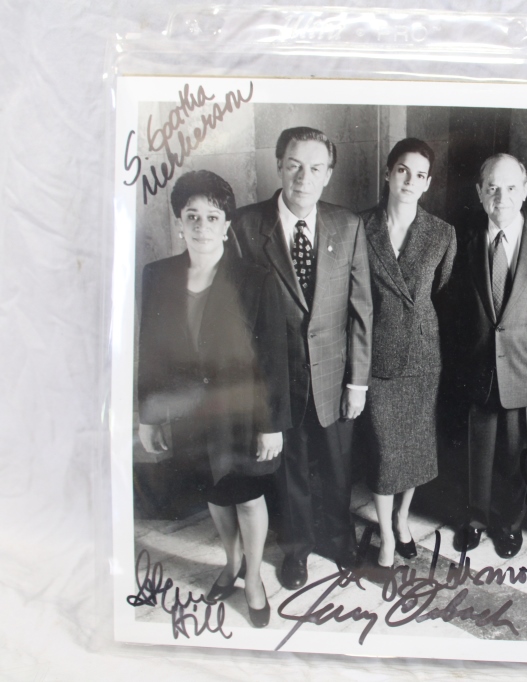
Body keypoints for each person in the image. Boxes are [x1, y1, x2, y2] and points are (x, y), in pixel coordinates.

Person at [137, 170, 289, 628]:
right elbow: (151, 352)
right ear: (179, 222)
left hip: (242, 416)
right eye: (192, 216)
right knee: (215, 494)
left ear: (227, 225)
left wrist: (271, 425)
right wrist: (149, 415)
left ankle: (254, 578)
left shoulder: (256, 280)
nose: (201, 226)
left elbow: (274, 359)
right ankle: (231, 562)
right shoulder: (157, 275)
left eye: (212, 216)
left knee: (247, 497)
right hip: (190, 415)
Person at [233, 127, 373, 589]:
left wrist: (357, 382)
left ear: (328, 174)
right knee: (289, 469)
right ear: (279, 166)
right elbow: (240, 321)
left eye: (315, 168)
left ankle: (340, 539)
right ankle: (296, 549)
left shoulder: (347, 225)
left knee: (337, 465)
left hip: (334, 376)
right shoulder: (246, 226)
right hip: (278, 378)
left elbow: (361, 309)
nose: (303, 178)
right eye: (294, 165)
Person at [452, 153, 527, 559]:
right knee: (477, 452)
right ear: (480, 192)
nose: (502, 197)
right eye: (493, 188)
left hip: (526, 365)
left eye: (511, 187)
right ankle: (476, 519)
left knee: (520, 455)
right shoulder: (463, 237)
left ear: (526, 190)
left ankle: (511, 525)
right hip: (478, 365)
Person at [357, 138, 456, 568]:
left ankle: (401, 519)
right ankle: (385, 536)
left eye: (419, 175)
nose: (410, 180)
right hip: (377, 354)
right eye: (402, 170)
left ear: (428, 183)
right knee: (384, 453)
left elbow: (442, 291)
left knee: (414, 449)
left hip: (420, 356)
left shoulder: (442, 233)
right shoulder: (360, 226)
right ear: (388, 173)